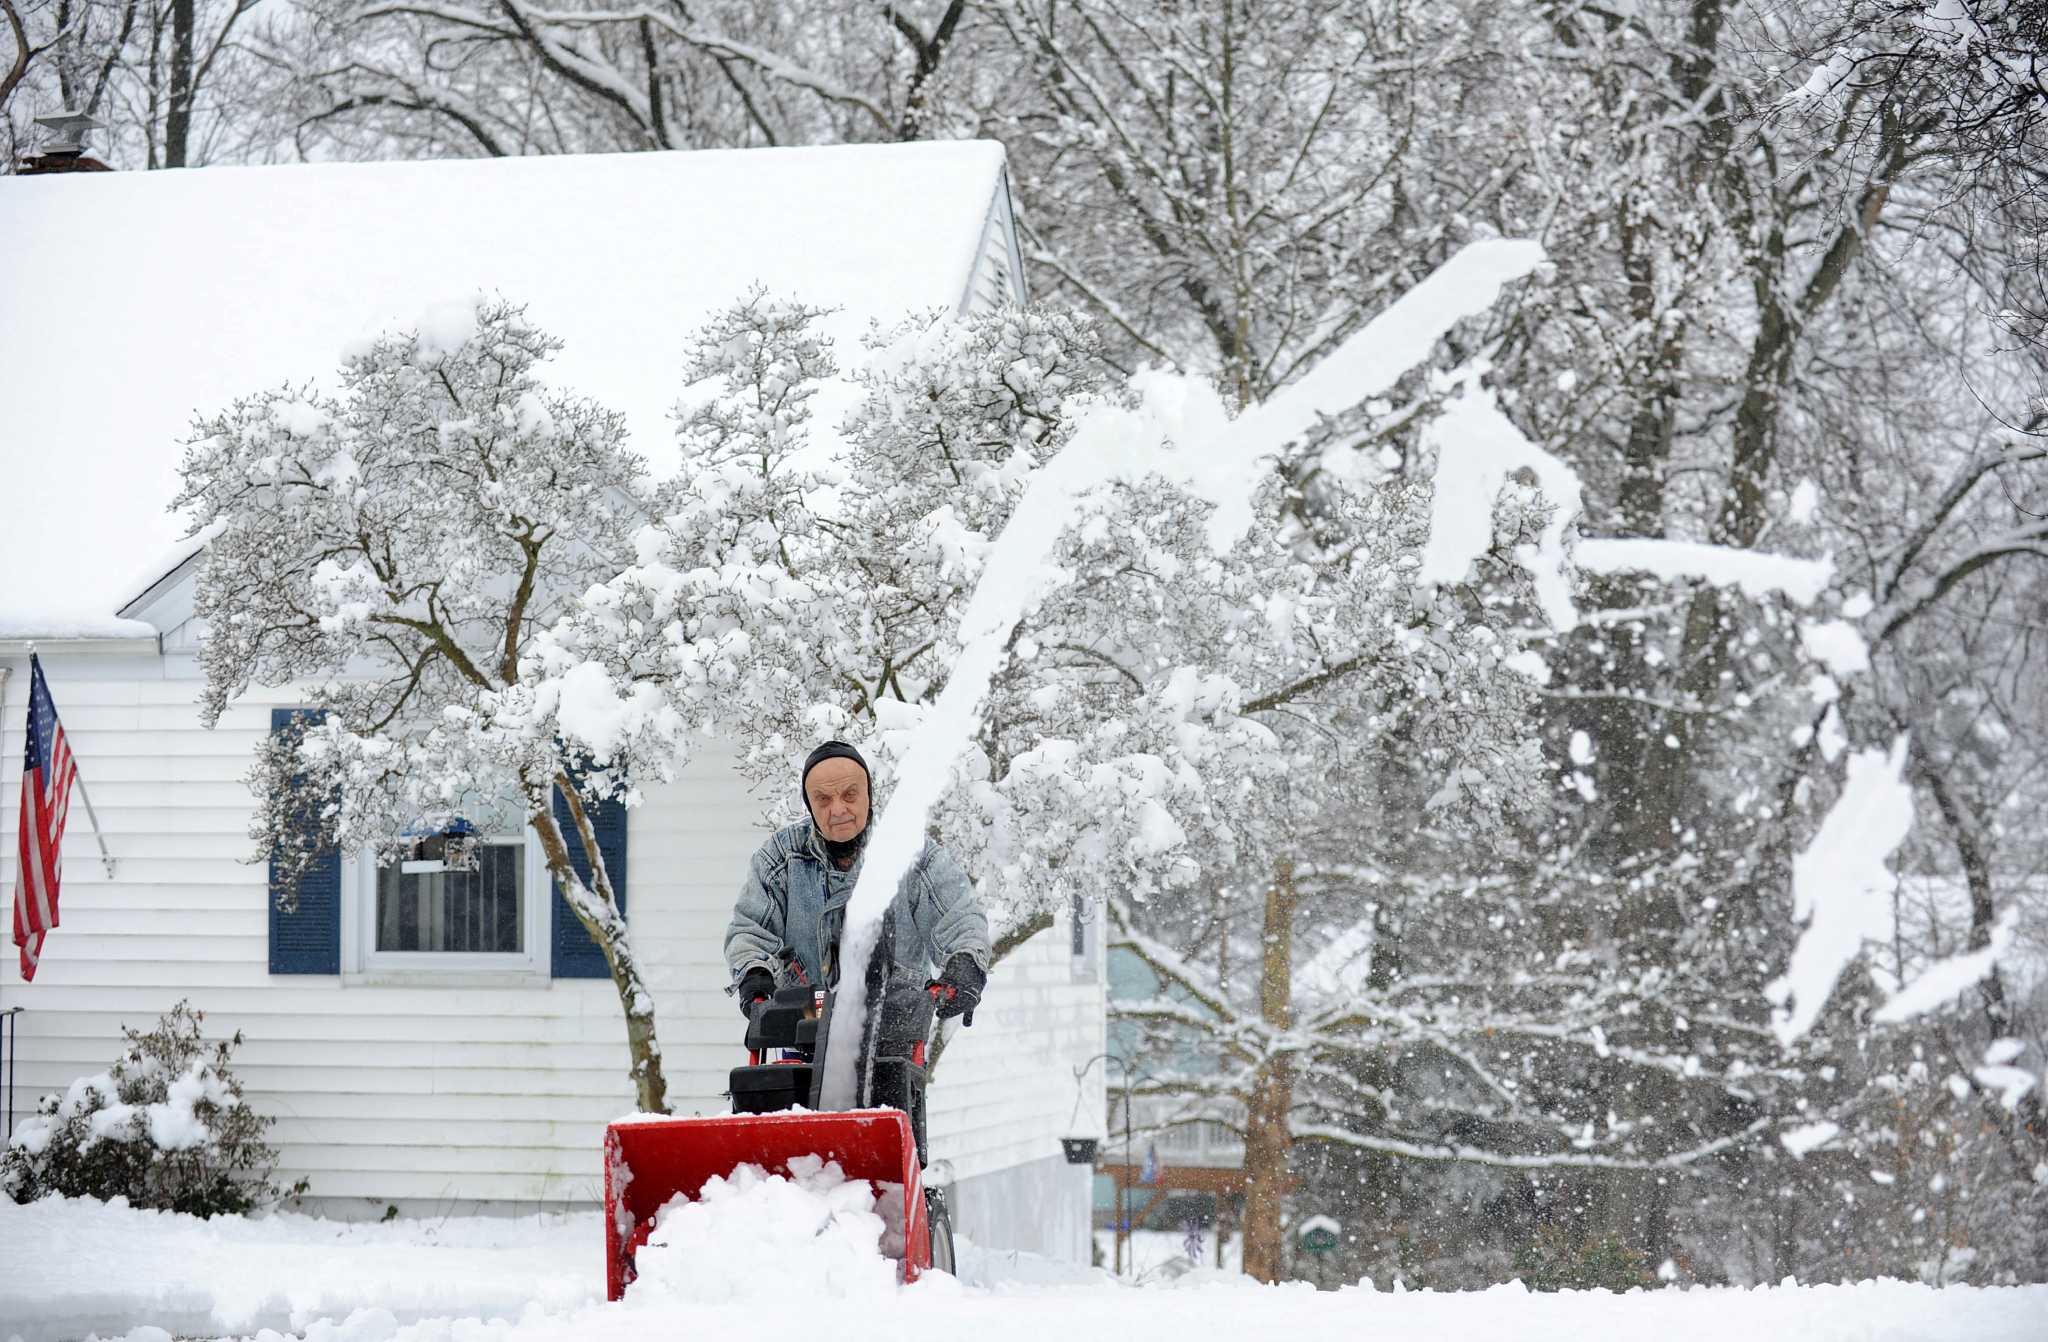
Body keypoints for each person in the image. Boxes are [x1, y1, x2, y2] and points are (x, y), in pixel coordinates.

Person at [725, 740, 990, 1024]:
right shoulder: (781, 859)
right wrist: (755, 973)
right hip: (804, 1022)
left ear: (869, 795)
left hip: (895, 1024)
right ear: (810, 806)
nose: (838, 809)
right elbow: (751, 930)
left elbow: (958, 916)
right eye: (823, 800)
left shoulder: (913, 854)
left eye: (849, 795)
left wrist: (966, 964)